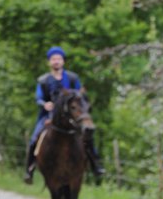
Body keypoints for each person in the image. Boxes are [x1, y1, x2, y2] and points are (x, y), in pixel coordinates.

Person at [24, 46, 105, 184]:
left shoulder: (73, 78)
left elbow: (79, 94)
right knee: (34, 139)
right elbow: (38, 97)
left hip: (70, 115)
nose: (56, 61)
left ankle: (96, 165)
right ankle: (29, 169)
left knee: (87, 134)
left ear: (63, 61)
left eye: (59, 59)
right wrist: (44, 104)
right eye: (53, 59)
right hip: (48, 116)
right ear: (49, 62)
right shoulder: (43, 80)